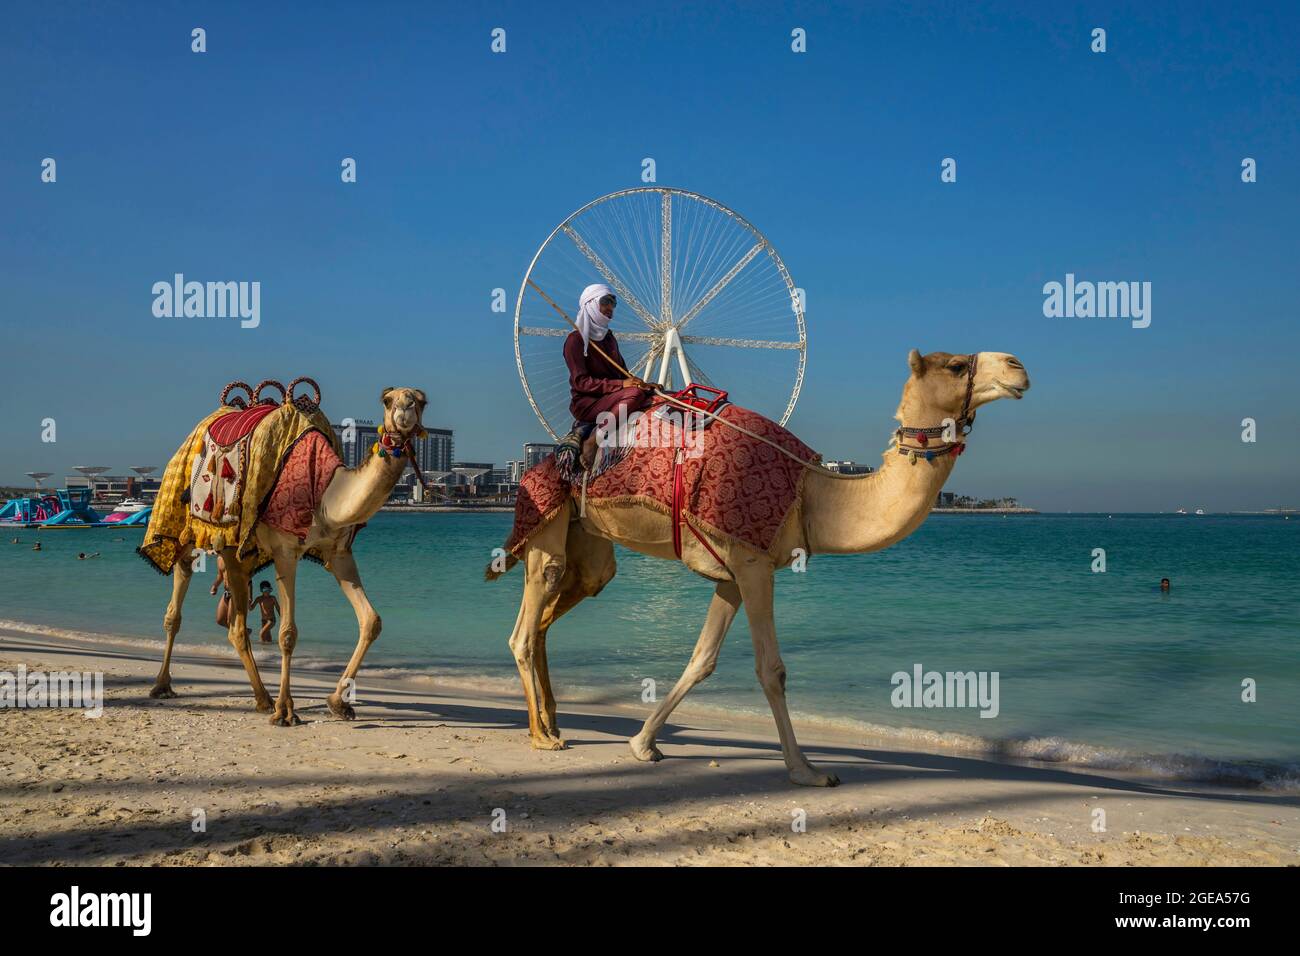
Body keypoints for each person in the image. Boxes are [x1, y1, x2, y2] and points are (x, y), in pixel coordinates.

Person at [563, 283, 655, 468]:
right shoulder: (575, 340)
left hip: (614, 396)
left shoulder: (608, 338)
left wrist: (642, 384)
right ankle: (593, 441)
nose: (610, 308)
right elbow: (581, 382)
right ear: (591, 304)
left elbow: (622, 374)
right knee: (634, 395)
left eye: (613, 304)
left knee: (652, 394)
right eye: (605, 302)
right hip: (588, 404)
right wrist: (623, 386)